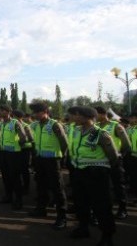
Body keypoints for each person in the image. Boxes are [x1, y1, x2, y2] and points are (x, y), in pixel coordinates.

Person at [69, 106, 118, 246]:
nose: (73, 118)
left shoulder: (100, 134)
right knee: (81, 203)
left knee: (101, 206)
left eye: (75, 115)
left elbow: (113, 156)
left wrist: (102, 169)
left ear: (84, 116)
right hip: (80, 171)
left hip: (96, 174)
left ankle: (107, 236)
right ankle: (83, 228)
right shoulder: (78, 131)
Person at [28, 102, 69, 230]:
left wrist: (61, 157)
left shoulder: (55, 125)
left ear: (45, 111)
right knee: (41, 185)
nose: (35, 115)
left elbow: (64, 143)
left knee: (57, 187)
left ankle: (62, 216)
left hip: (52, 160)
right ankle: (41, 208)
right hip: (40, 159)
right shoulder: (36, 125)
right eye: (34, 112)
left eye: (38, 112)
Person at [95, 106, 132, 219]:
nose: (95, 117)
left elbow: (126, 145)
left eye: (96, 114)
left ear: (102, 114)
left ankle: (122, 209)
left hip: (114, 160)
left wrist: (118, 155)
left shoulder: (116, 126)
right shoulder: (96, 127)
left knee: (118, 185)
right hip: (100, 161)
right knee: (102, 186)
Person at [0, 105, 27, 210]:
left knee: (15, 177)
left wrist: (18, 146)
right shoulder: (1, 124)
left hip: (14, 154)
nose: (0, 112)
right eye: (0, 110)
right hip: (4, 152)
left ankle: (18, 200)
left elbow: (23, 137)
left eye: (2, 110)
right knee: (5, 176)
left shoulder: (15, 123)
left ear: (8, 112)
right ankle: (8, 196)